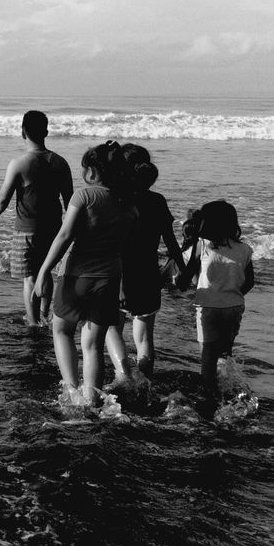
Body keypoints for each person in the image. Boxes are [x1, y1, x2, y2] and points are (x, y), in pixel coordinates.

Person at [32, 141, 137, 406]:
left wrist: (44, 270)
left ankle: (71, 391)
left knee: (62, 331)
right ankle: (91, 399)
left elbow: (65, 235)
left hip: (76, 276)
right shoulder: (129, 205)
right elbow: (126, 250)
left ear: (93, 171)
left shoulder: (84, 196)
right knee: (93, 345)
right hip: (109, 280)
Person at [105, 147, 186, 383]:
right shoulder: (157, 200)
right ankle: (145, 382)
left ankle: (123, 377)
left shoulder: (118, 199)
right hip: (149, 273)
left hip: (121, 272)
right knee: (145, 336)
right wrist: (183, 269)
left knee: (113, 328)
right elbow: (171, 242)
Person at [0, 110, 73, 325]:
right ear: (46, 132)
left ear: (22, 132)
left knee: (30, 278)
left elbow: (4, 196)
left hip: (26, 230)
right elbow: (70, 200)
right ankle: (45, 315)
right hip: (54, 229)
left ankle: (33, 321)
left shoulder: (19, 163)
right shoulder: (60, 162)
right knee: (46, 272)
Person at [179, 200, 255, 406]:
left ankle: (209, 394)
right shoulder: (244, 249)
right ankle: (227, 387)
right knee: (225, 351)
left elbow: (183, 280)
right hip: (234, 306)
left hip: (208, 306)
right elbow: (250, 281)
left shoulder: (201, 245)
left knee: (208, 354)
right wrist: (233, 294)